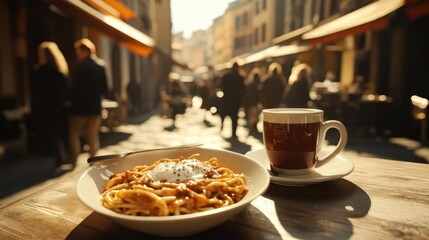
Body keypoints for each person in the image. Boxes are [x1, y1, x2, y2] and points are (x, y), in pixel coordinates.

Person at [69, 38, 108, 167]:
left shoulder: (80, 66)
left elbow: (76, 88)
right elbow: (105, 88)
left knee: (73, 132)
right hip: (96, 105)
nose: (77, 53)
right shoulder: (100, 65)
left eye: (78, 51)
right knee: (92, 135)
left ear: (84, 50)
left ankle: (74, 160)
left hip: (81, 107)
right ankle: (93, 162)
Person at [30, 42, 70, 167]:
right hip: (59, 108)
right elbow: (65, 91)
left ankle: (57, 156)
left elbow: (35, 92)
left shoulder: (39, 72)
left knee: (50, 133)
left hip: (45, 108)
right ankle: (61, 156)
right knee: (58, 133)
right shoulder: (59, 72)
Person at [219, 62, 245, 139]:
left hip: (226, 100)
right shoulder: (240, 77)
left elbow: (221, 86)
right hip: (235, 101)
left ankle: (222, 126)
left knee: (224, 115)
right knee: (234, 117)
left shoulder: (226, 76)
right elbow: (243, 90)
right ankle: (233, 133)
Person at [243, 67, 262, 133]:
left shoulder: (249, 83)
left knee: (251, 116)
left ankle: (252, 127)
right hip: (254, 102)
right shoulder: (258, 84)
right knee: (254, 116)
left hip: (249, 102)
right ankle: (251, 128)